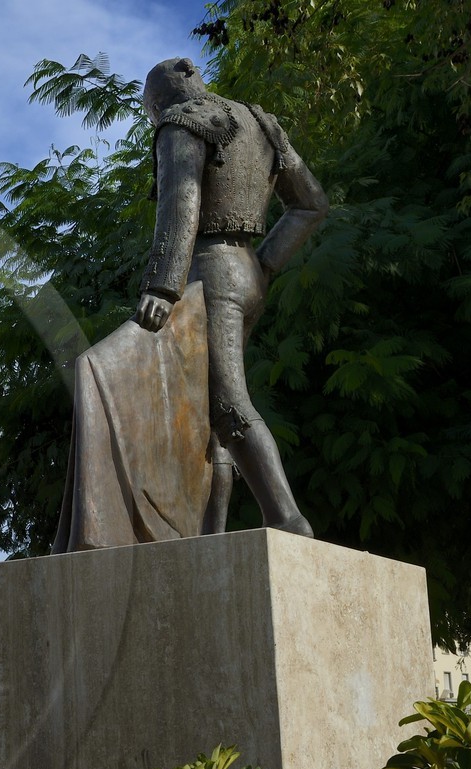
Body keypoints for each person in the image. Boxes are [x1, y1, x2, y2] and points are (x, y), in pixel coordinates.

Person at [134, 56, 328, 536]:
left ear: (162, 101)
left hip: (208, 275)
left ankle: (287, 519)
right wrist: (263, 264)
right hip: (248, 274)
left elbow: (182, 208)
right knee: (211, 419)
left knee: (227, 404)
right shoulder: (262, 123)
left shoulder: (182, 123)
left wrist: (162, 285)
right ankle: (211, 534)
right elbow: (312, 204)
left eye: (151, 109)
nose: (155, 118)